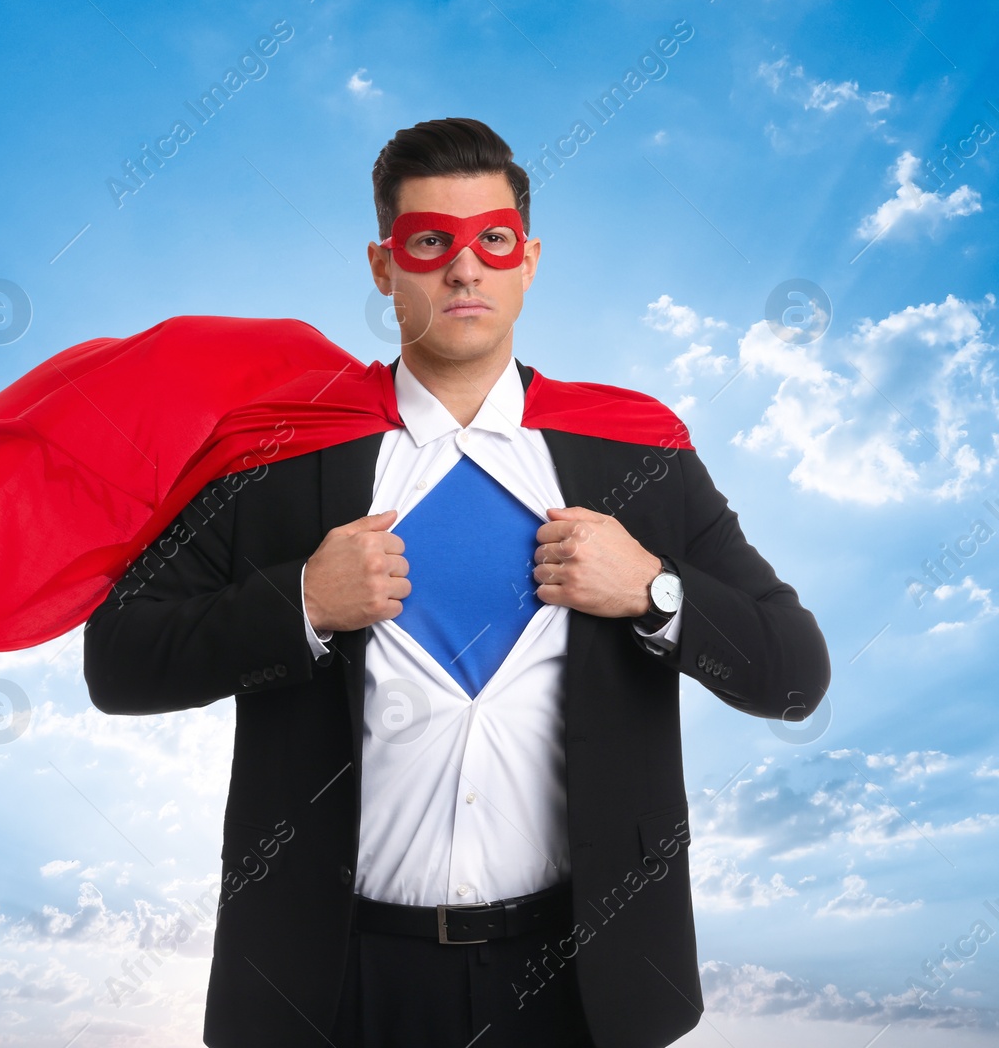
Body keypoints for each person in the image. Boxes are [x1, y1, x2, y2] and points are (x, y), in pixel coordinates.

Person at [81, 117, 831, 1048]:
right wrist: (302, 604)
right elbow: (118, 662)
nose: (464, 269)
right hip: (333, 983)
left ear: (528, 258)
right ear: (383, 264)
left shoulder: (638, 453)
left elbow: (795, 675)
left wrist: (655, 590)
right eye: (431, 242)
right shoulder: (277, 456)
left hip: (582, 985)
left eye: (493, 240)